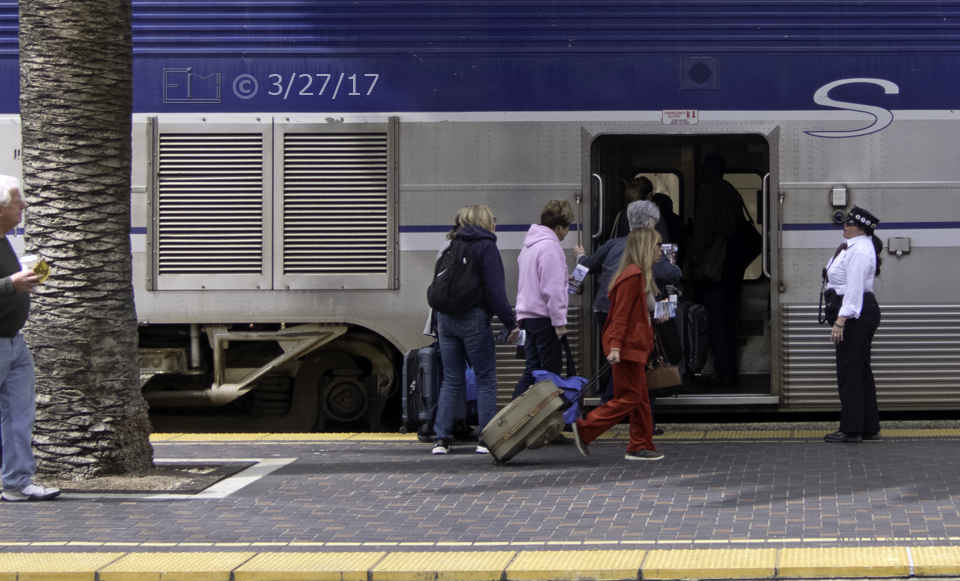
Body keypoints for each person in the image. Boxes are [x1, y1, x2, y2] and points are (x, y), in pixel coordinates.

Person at [570, 226, 664, 461]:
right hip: (627, 349)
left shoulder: (636, 274)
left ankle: (641, 444)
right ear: (645, 248)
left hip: (633, 348)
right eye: (657, 245)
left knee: (640, 399)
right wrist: (615, 347)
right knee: (630, 398)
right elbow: (620, 315)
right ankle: (585, 429)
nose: (660, 251)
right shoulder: (633, 276)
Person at [431, 205, 518, 455]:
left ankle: (442, 439)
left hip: (445, 319)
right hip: (473, 318)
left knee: (451, 379)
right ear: (486, 222)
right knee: (486, 378)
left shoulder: (451, 244)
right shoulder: (486, 246)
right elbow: (496, 291)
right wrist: (510, 322)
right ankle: (485, 438)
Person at [578, 200, 680, 403]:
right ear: (651, 223)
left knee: (624, 364)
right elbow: (673, 275)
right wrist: (672, 263)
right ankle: (608, 407)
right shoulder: (647, 249)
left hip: (603, 308)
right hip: (630, 314)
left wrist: (580, 260)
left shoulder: (613, 244)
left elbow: (588, 265)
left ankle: (638, 415)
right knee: (631, 365)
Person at [0, 175, 60, 501]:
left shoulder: (4, 240)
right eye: (17, 200)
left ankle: (17, 482)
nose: (24, 205)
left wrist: (24, 280)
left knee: (19, 415)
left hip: (14, 343)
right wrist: (11, 283)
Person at [823, 206, 883, 443]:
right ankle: (868, 426)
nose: (844, 227)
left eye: (848, 224)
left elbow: (855, 289)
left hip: (855, 315)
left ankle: (851, 429)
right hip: (858, 312)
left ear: (859, 228)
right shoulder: (856, 247)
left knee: (849, 371)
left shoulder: (860, 251)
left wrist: (840, 321)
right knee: (859, 370)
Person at [688, 154, 744, 386]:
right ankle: (729, 370)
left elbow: (702, 233)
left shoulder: (709, 192)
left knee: (716, 321)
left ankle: (723, 373)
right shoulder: (729, 190)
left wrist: (692, 260)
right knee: (728, 320)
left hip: (714, 269)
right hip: (730, 266)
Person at [513, 200, 575, 398]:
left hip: (527, 318)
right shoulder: (550, 247)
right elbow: (552, 290)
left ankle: (511, 418)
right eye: (567, 228)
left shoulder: (530, 246)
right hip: (544, 319)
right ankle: (549, 421)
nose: (567, 233)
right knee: (550, 374)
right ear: (558, 227)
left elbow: (533, 280)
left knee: (532, 371)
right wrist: (560, 323)